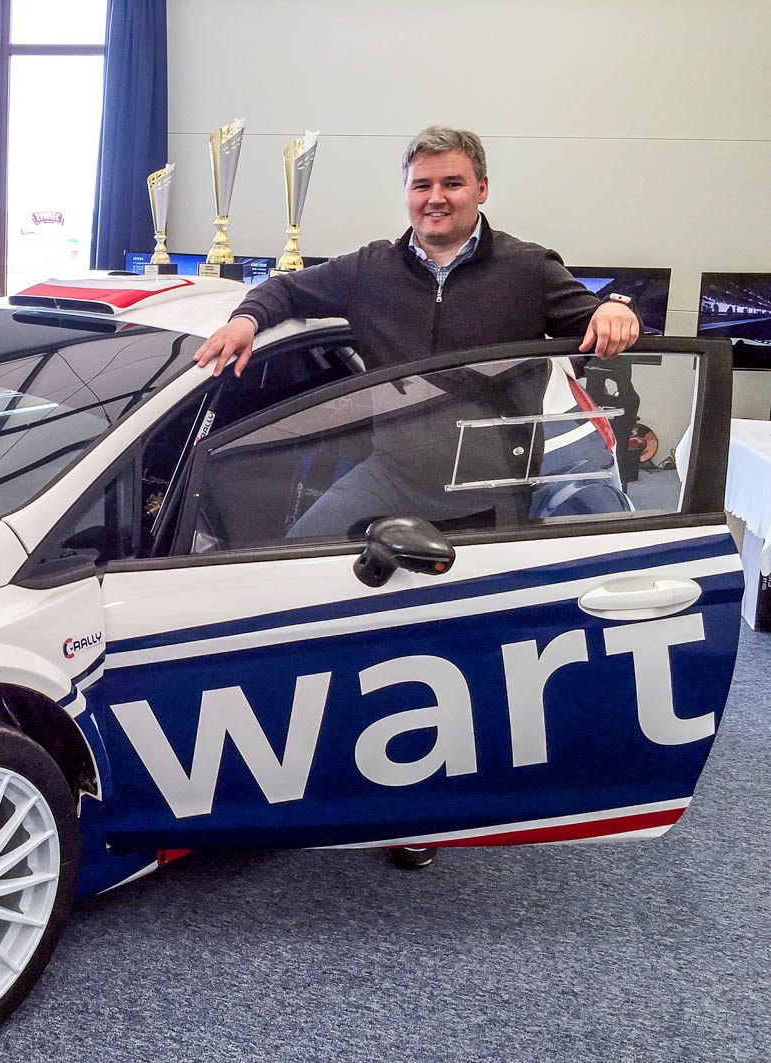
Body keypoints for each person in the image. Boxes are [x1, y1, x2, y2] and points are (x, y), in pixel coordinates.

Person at [193, 125, 642, 869]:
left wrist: (615, 307)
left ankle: (423, 810)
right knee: (285, 575)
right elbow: (284, 289)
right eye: (422, 185)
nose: (436, 198)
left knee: (451, 657)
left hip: (491, 495)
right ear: (405, 193)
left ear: (481, 190)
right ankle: (275, 756)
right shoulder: (370, 268)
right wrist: (245, 318)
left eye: (452, 183)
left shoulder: (528, 269)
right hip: (391, 476)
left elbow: (595, 316)